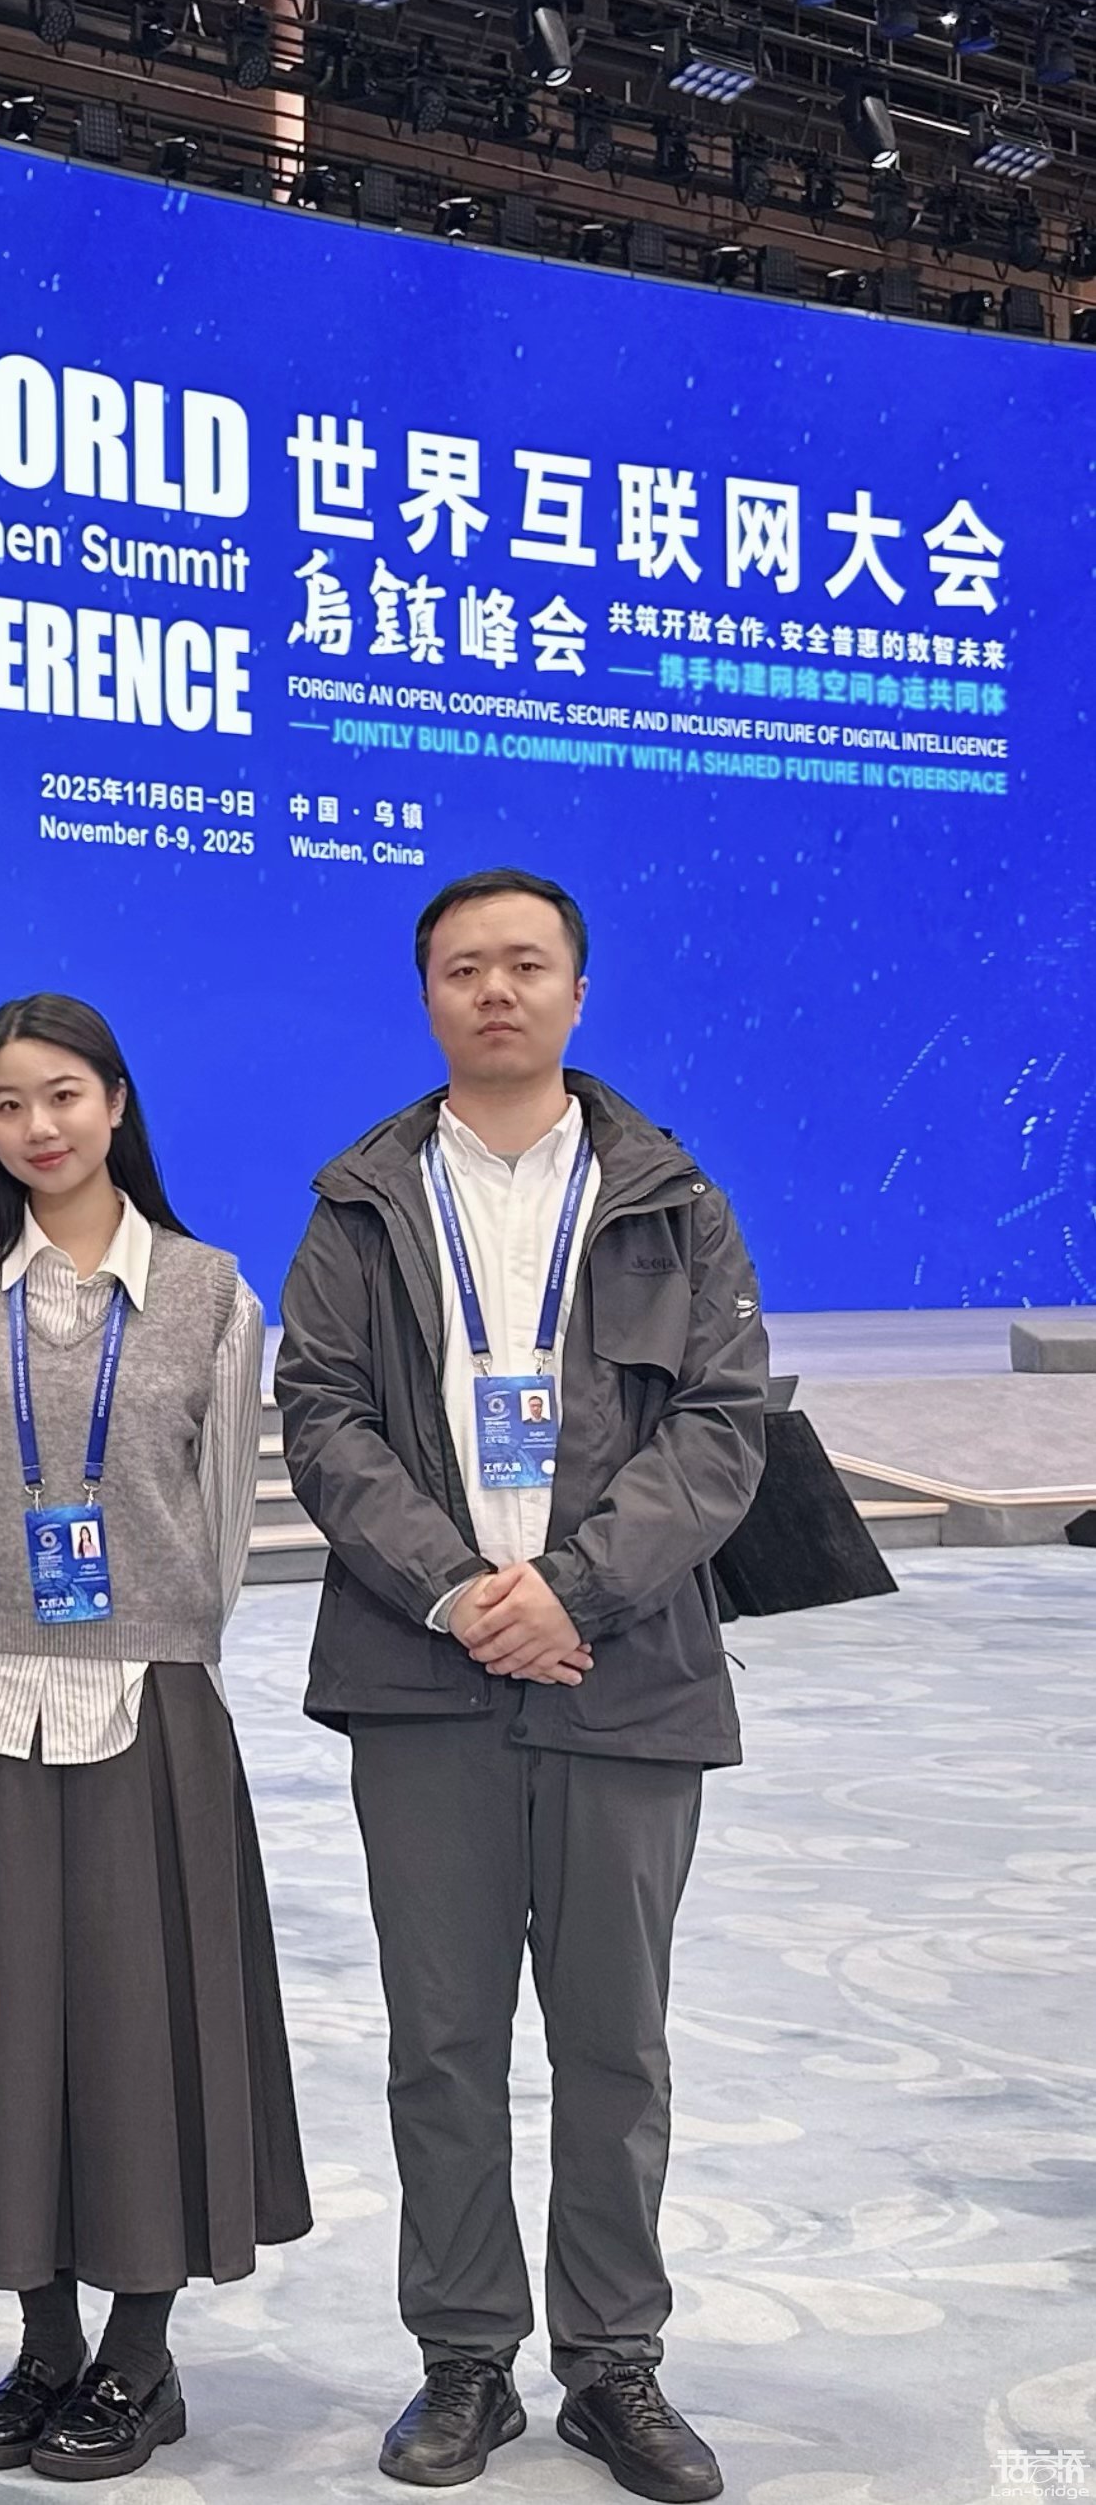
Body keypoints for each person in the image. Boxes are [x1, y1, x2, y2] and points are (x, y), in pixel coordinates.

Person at [274, 870, 767, 2502]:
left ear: (576, 990)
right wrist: (457, 1590)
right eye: (465, 968)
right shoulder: (362, 1199)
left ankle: (615, 2362)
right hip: (423, 1677)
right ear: (428, 995)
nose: (496, 989)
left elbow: (722, 1424)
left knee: (617, 2043)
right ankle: (465, 2358)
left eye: (527, 964)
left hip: (626, 1672)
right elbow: (323, 1415)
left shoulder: (670, 1199)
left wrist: (572, 1589)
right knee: (444, 2040)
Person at [0, 994, 311, 2485]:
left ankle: (141, 2353)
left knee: (145, 2032)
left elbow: (222, 1521)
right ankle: (44, 2345)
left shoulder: (209, 1290)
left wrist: (165, 1637)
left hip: (147, 1706)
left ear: (118, 1104)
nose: (39, 1127)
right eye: (7, 1104)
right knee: (7, 2032)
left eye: (64, 1095)